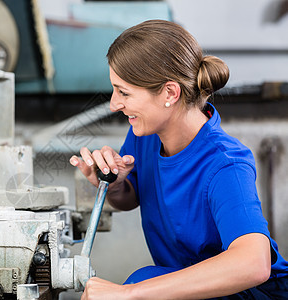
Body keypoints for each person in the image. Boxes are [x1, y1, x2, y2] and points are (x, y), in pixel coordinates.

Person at [70, 19, 288, 299]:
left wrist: (131, 293)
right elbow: (130, 197)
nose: (114, 104)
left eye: (124, 92)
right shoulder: (147, 133)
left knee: (142, 281)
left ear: (170, 93)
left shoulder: (225, 164)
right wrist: (112, 182)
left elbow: (254, 264)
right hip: (187, 282)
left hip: (252, 293)